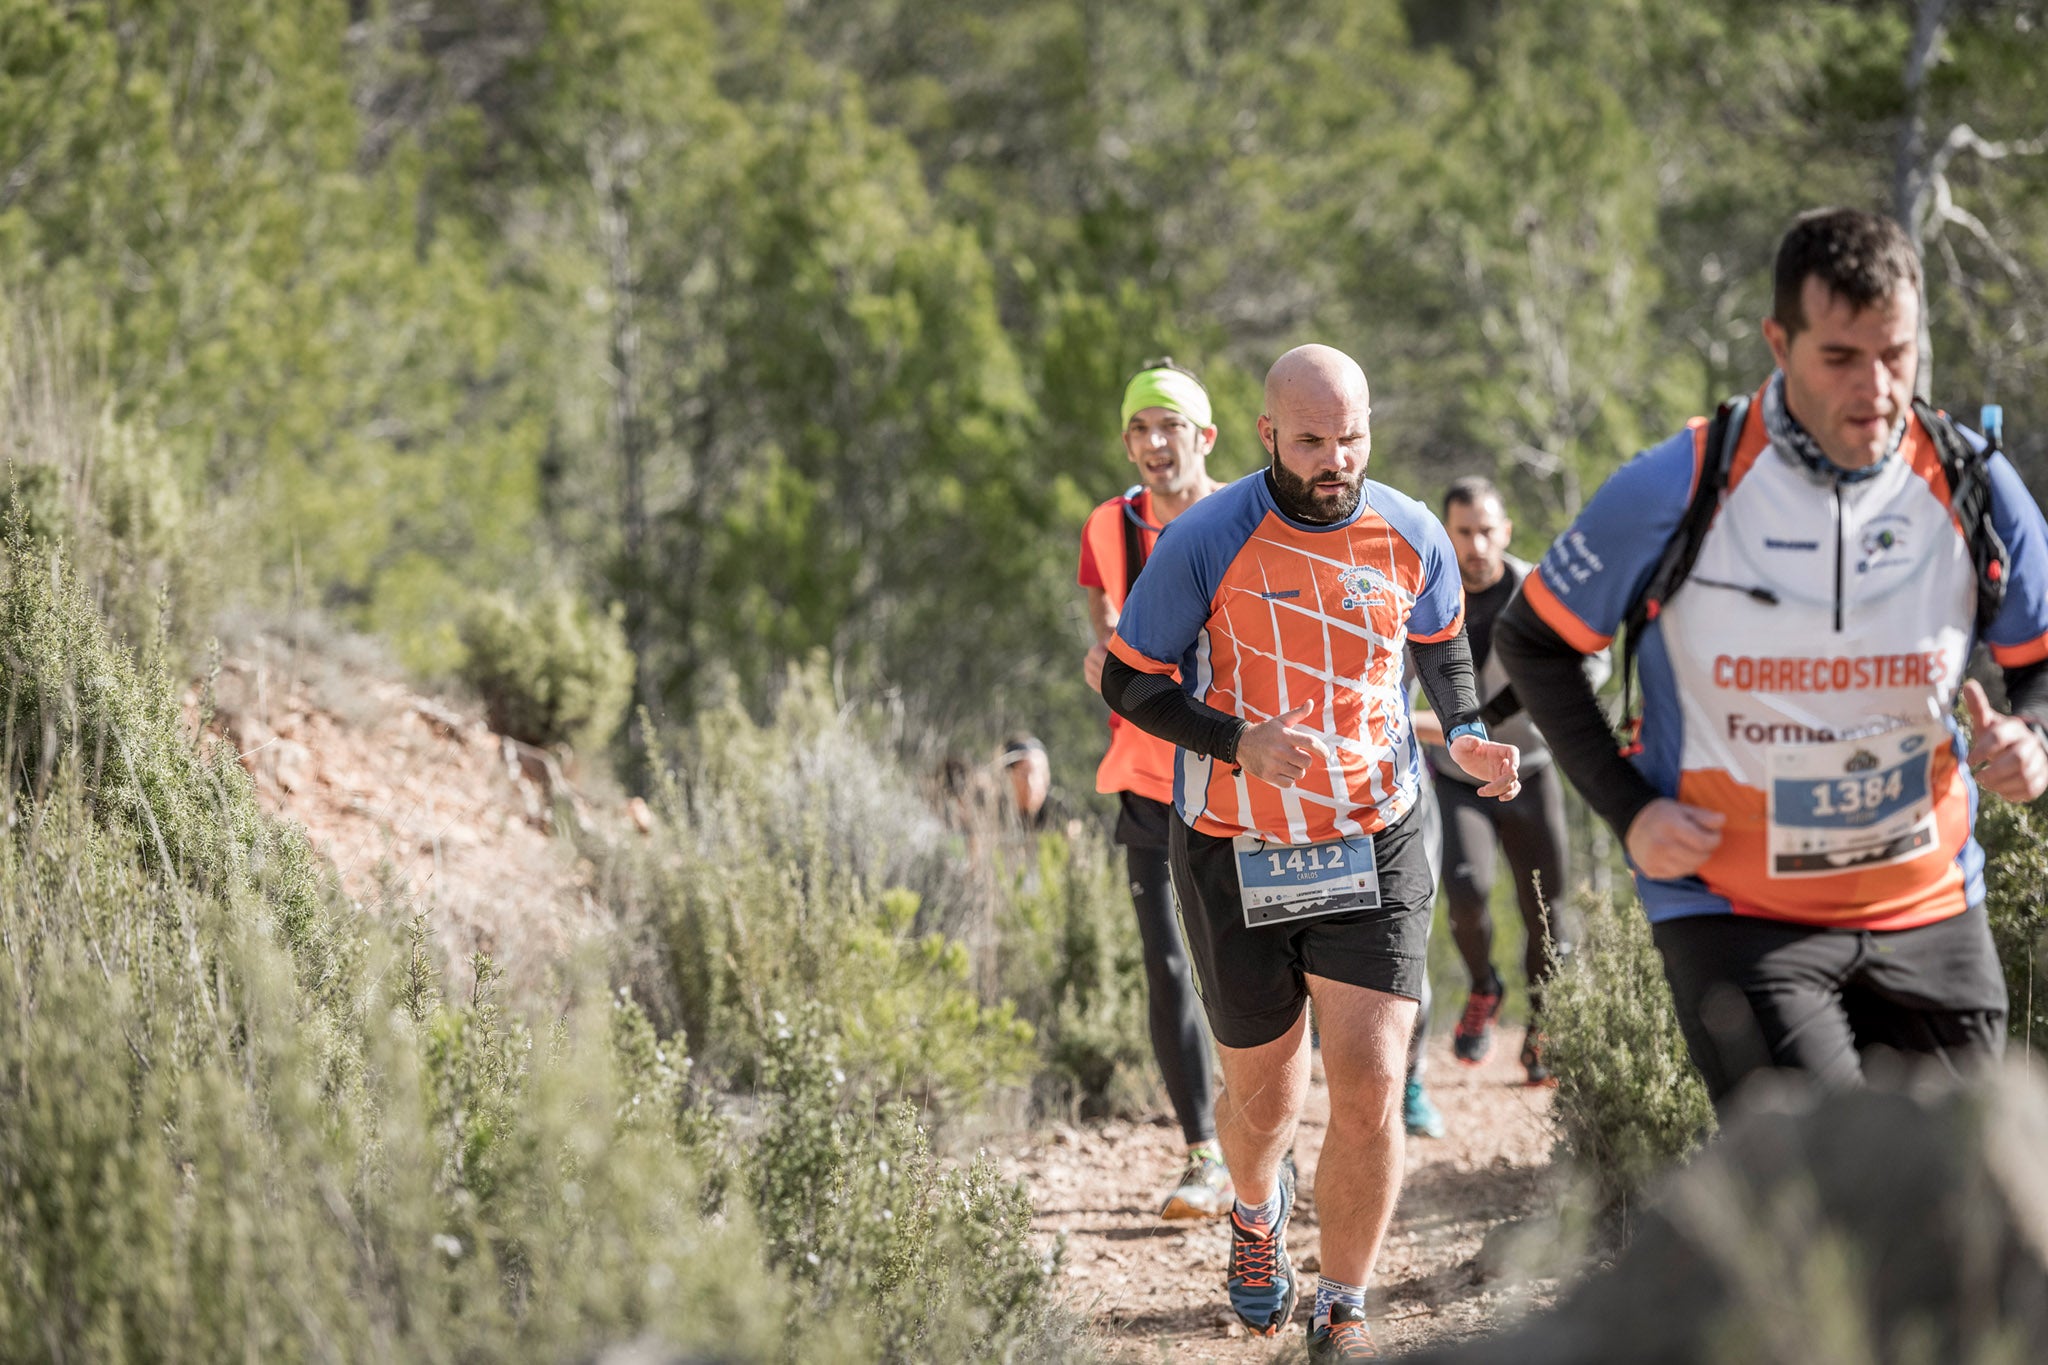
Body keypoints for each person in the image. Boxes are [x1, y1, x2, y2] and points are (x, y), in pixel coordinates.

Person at [1496, 207, 2048, 1113]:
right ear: (1778, 342)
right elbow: (1534, 640)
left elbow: (2041, 663)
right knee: (1828, 1181)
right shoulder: (1683, 483)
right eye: (1839, 357)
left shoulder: (1972, 481)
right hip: (1736, 910)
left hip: (1929, 902)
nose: (1876, 387)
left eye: (1898, 354)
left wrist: (2033, 739)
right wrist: (1631, 811)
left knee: (1960, 1200)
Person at [1101, 344, 1521, 1360]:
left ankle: (1342, 1301)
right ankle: (1254, 1211)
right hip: (1232, 844)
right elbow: (1127, 680)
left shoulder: (1409, 529)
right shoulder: (1207, 539)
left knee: (1371, 1078)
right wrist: (1236, 741)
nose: (1335, 459)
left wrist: (1462, 729)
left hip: (1372, 835)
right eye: (1310, 441)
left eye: (1351, 436)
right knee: (1264, 1096)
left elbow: (1439, 644)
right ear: (1265, 437)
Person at [1077, 360, 1233, 1219]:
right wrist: (1100, 650)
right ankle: (1203, 1153)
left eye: (1169, 426)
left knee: (1238, 962)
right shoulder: (1110, 523)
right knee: (1166, 961)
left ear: (1204, 438)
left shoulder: (1241, 514)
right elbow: (1102, 611)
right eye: (1139, 428)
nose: (1153, 443)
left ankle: (1261, 1143)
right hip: (1142, 773)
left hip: (1232, 773)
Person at [1411, 477, 1607, 1085]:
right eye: (1464, 532)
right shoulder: (1426, 588)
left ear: (1507, 530)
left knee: (1547, 910)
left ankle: (1544, 1035)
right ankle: (1483, 989)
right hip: (1453, 774)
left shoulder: (1537, 590)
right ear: (1448, 534)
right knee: (1466, 894)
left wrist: (1464, 722)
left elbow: (1587, 663)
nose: (1476, 544)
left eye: (1487, 530)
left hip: (1529, 766)